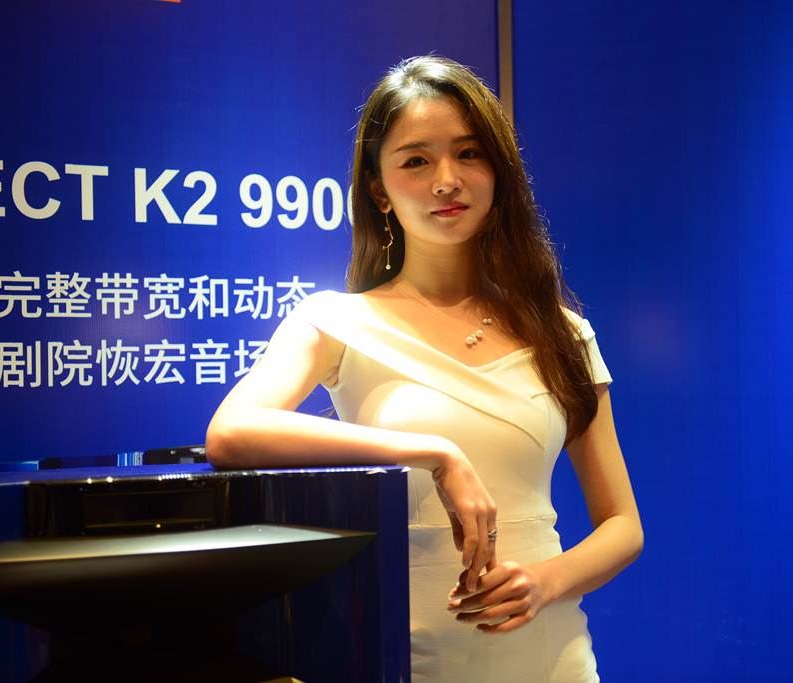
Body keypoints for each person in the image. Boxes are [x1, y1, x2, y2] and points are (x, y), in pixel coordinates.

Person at [206, 55, 643, 682]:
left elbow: (622, 526)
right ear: (378, 189)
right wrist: (435, 453)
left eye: (469, 154)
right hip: (404, 654)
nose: (446, 180)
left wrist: (546, 581)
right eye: (416, 161)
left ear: (499, 171)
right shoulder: (333, 321)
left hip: (550, 655)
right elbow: (232, 432)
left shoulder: (562, 332)